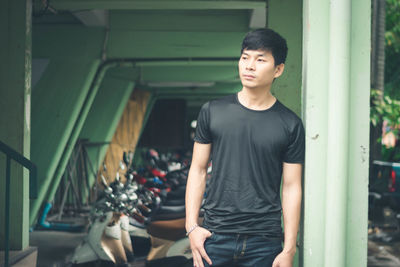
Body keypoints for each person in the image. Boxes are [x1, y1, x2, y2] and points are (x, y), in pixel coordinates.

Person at [185, 28, 305, 267]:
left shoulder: (290, 124)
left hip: (265, 242)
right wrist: (192, 228)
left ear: (278, 69)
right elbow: (197, 170)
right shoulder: (213, 111)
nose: (249, 66)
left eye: (260, 60)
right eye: (245, 57)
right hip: (214, 237)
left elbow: (291, 187)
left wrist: (289, 249)